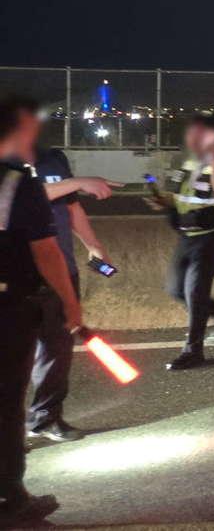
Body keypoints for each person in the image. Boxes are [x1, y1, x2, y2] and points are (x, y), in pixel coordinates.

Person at [0, 96, 82, 524]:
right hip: (9, 303)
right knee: (7, 402)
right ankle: (12, 500)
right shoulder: (18, 181)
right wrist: (71, 304)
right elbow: (46, 252)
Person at [23, 144, 120, 443]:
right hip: (16, 274)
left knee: (57, 349)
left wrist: (94, 246)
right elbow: (18, 198)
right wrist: (80, 181)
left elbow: (71, 207)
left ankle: (44, 418)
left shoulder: (53, 158)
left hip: (61, 271)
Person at [147, 111, 214, 370]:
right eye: (192, 133)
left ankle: (193, 351)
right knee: (176, 289)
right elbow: (183, 196)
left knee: (195, 291)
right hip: (187, 233)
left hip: (213, 235)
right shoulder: (189, 164)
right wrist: (164, 201)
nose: (192, 138)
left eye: (199, 134)